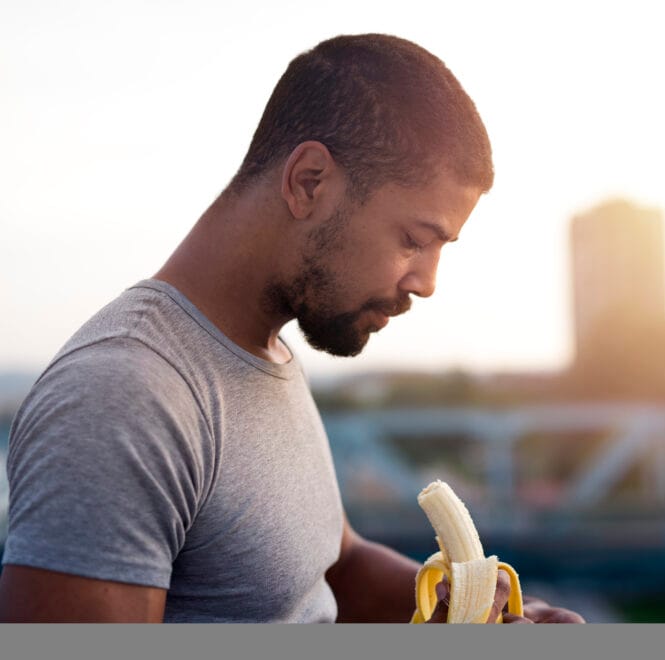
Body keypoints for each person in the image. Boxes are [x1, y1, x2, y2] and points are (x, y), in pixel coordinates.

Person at [0, 33, 584, 624]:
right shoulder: (122, 397)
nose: (427, 282)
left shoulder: (267, 353)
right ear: (309, 181)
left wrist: (480, 613)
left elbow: (333, 567)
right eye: (413, 239)